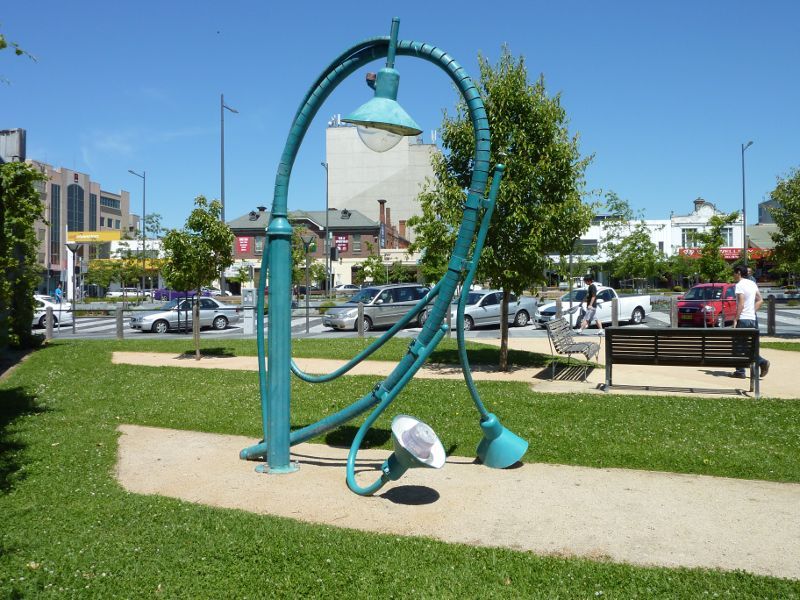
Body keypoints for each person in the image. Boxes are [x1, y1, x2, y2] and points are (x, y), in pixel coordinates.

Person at [731, 265, 769, 379]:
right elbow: (760, 300)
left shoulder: (739, 285)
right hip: (752, 319)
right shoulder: (752, 283)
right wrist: (752, 311)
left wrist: (735, 319)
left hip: (743, 319)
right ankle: (759, 362)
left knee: (737, 346)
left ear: (738, 273)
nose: (733, 275)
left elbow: (741, 304)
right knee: (749, 346)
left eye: (734, 273)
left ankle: (741, 371)